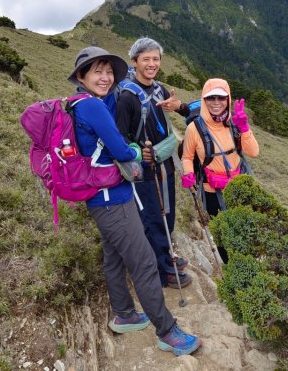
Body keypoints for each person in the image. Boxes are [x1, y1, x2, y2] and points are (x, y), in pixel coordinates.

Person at [68, 46, 201, 356]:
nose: (104, 77)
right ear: (81, 76)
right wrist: (136, 153)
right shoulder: (94, 107)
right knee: (142, 262)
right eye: (96, 71)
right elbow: (122, 149)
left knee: (113, 255)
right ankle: (167, 331)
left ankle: (124, 313)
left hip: (101, 197)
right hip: (112, 199)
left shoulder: (82, 103)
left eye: (108, 71)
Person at [116, 37, 192, 289]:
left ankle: (166, 252)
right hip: (145, 171)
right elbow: (120, 138)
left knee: (166, 215)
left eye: (156, 59)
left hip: (165, 164)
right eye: (145, 59)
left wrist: (177, 106)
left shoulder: (159, 90)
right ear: (134, 62)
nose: (151, 64)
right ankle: (162, 271)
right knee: (152, 218)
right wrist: (139, 152)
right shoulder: (127, 98)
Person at [180, 78, 259, 263]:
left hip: (238, 187)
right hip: (211, 191)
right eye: (211, 98)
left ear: (228, 99)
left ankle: (246, 263)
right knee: (222, 230)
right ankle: (230, 265)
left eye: (221, 98)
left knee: (243, 227)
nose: (216, 103)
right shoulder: (195, 128)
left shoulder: (235, 123)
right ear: (204, 100)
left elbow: (254, 152)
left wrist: (244, 128)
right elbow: (187, 156)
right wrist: (188, 173)